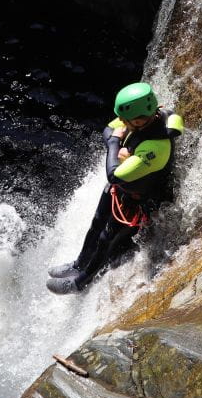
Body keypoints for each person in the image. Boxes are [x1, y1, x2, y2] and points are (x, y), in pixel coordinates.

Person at [47, 82, 184, 294]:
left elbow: (114, 173)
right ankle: (79, 263)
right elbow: (108, 128)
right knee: (96, 224)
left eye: (127, 120)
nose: (122, 123)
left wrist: (113, 145)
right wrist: (117, 147)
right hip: (119, 189)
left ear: (139, 120)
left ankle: (80, 282)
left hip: (136, 200)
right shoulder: (145, 118)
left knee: (105, 239)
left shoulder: (155, 147)